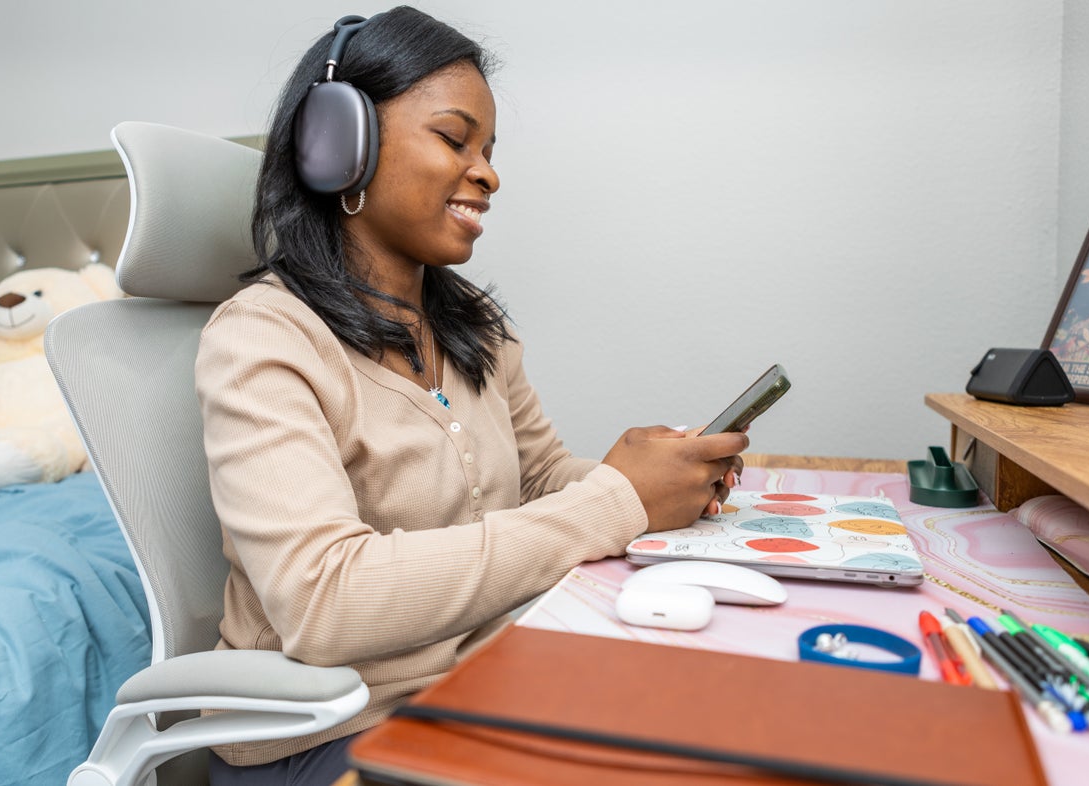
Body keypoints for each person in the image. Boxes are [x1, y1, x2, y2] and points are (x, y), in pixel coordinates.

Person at [194, 7, 749, 785]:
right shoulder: (262, 337)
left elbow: (541, 477)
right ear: (336, 146)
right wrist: (616, 503)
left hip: (480, 689)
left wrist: (664, 478)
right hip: (329, 737)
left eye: (489, 150)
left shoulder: (472, 326)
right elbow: (324, 602)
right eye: (455, 140)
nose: (488, 173)